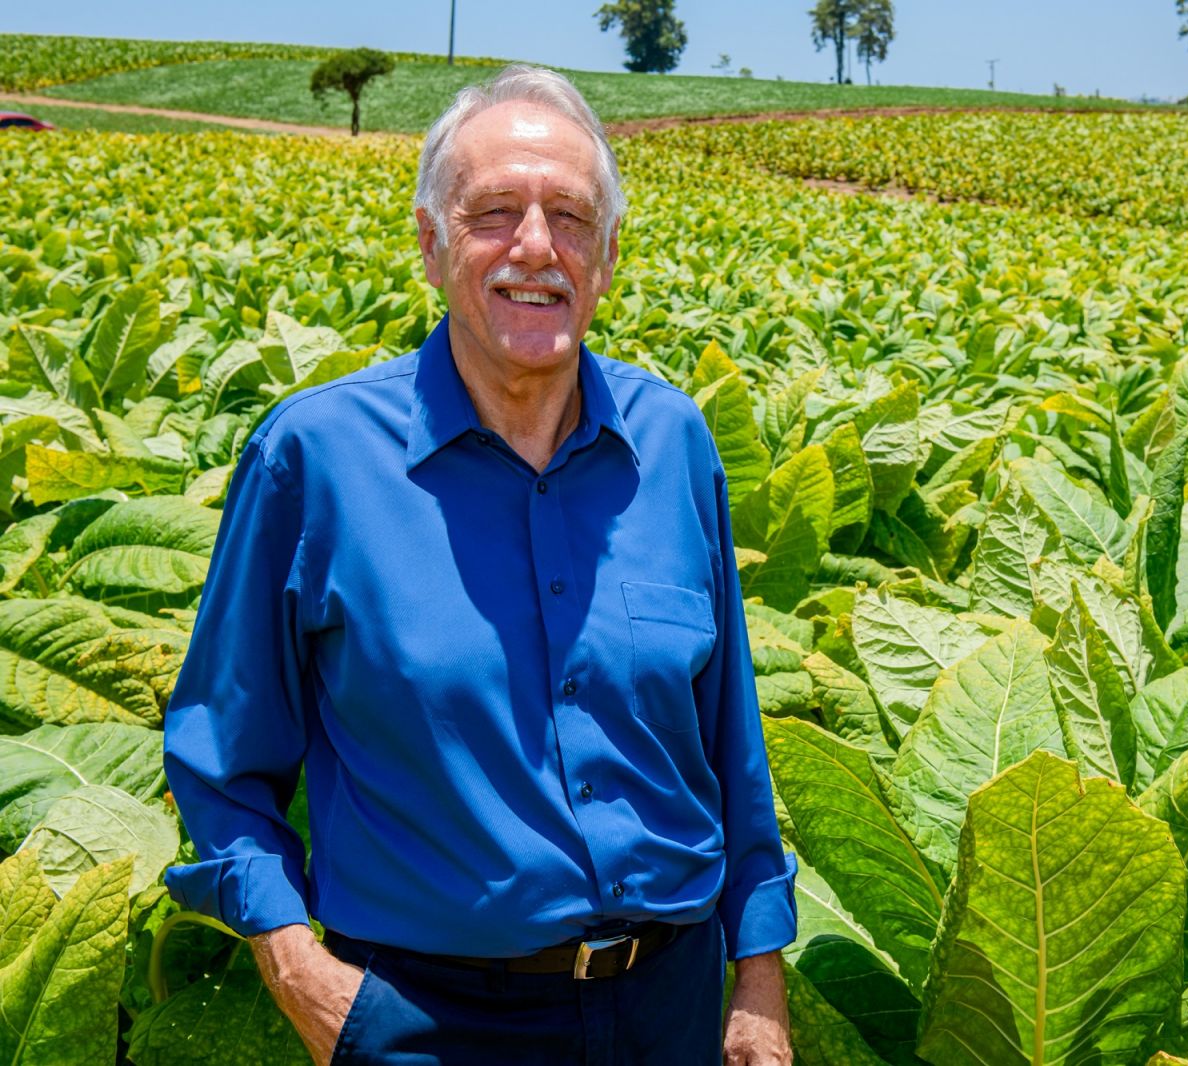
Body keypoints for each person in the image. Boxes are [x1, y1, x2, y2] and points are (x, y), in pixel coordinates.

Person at [162, 65, 796, 1066]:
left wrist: (757, 979)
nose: (536, 248)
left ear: (610, 255)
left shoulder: (674, 441)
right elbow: (220, 759)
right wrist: (299, 973)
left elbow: (731, 745)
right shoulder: (315, 457)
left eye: (571, 218)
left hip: (670, 1005)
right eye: (495, 212)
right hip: (429, 1019)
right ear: (430, 242)